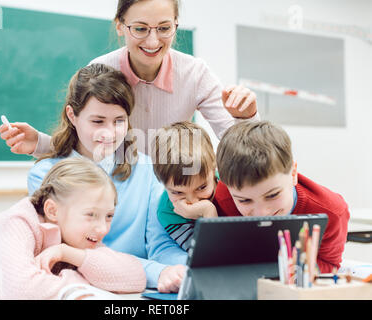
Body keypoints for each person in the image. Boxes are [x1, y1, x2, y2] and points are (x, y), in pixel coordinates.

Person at [0, 0, 260, 156]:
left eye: (165, 28)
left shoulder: (194, 73)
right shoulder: (100, 71)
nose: (153, 40)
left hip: (173, 193)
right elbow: (84, 141)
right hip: (114, 194)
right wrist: (40, 144)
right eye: (140, 29)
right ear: (120, 26)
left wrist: (246, 117)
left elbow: (242, 145)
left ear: (176, 25)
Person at [27, 63, 187, 293]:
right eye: (98, 121)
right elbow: (75, 255)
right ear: (72, 115)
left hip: (137, 292)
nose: (110, 133)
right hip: (82, 290)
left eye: (119, 121)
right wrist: (157, 272)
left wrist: (189, 266)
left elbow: (160, 245)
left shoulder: (147, 170)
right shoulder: (46, 175)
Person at [0, 157, 146, 299]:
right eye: (90, 215)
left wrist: (68, 254)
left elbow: (135, 276)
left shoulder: (77, 236)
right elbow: (19, 289)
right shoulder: (19, 222)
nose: (102, 228)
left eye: (109, 216)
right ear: (53, 211)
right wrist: (77, 281)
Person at [213, 120, 350, 273]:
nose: (262, 213)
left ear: (293, 174)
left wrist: (290, 270)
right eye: (244, 200)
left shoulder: (331, 212)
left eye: (272, 195)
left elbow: (328, 264)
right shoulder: (224, 197)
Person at [151, 121, 218, 251]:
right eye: (178, 193)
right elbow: (208, 254)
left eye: (201, 187)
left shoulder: (231, 185)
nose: (192, 201)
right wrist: (208, 212)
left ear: (214, 167)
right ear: (163, 184)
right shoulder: (168, 211)